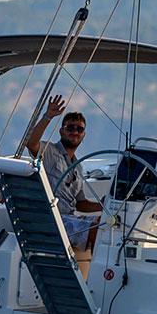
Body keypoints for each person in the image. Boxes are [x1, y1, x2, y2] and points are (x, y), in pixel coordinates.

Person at [24, 96, 103, 250]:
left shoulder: (78, 167)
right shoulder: (48, 152)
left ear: (84, 135)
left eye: (79, 129)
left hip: (69, 219)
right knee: (97, 230)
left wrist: (104, 206)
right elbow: (30, 143)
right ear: (61, 131)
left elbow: (81, 204)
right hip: (52, 220)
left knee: (109, 223)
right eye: (70, 128)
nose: (75, 132)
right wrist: (48, 116)